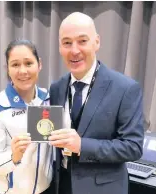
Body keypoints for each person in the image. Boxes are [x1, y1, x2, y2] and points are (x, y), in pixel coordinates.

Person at [48, 12, 144, 194]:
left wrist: (82, 146)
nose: (74, 50)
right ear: (60, 47)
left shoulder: (125, 88)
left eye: (82, 41)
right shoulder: (56, 88)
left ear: (97, 42)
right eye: (67, 42)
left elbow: (133, 147)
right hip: (64, 185)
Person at [0, 39, 54, 194]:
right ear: (7, 69)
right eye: (15, 64)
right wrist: (13, 156)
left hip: (45, 189)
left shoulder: (49, 99)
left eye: (28, 63)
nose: (23, 71)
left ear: (39, 64)